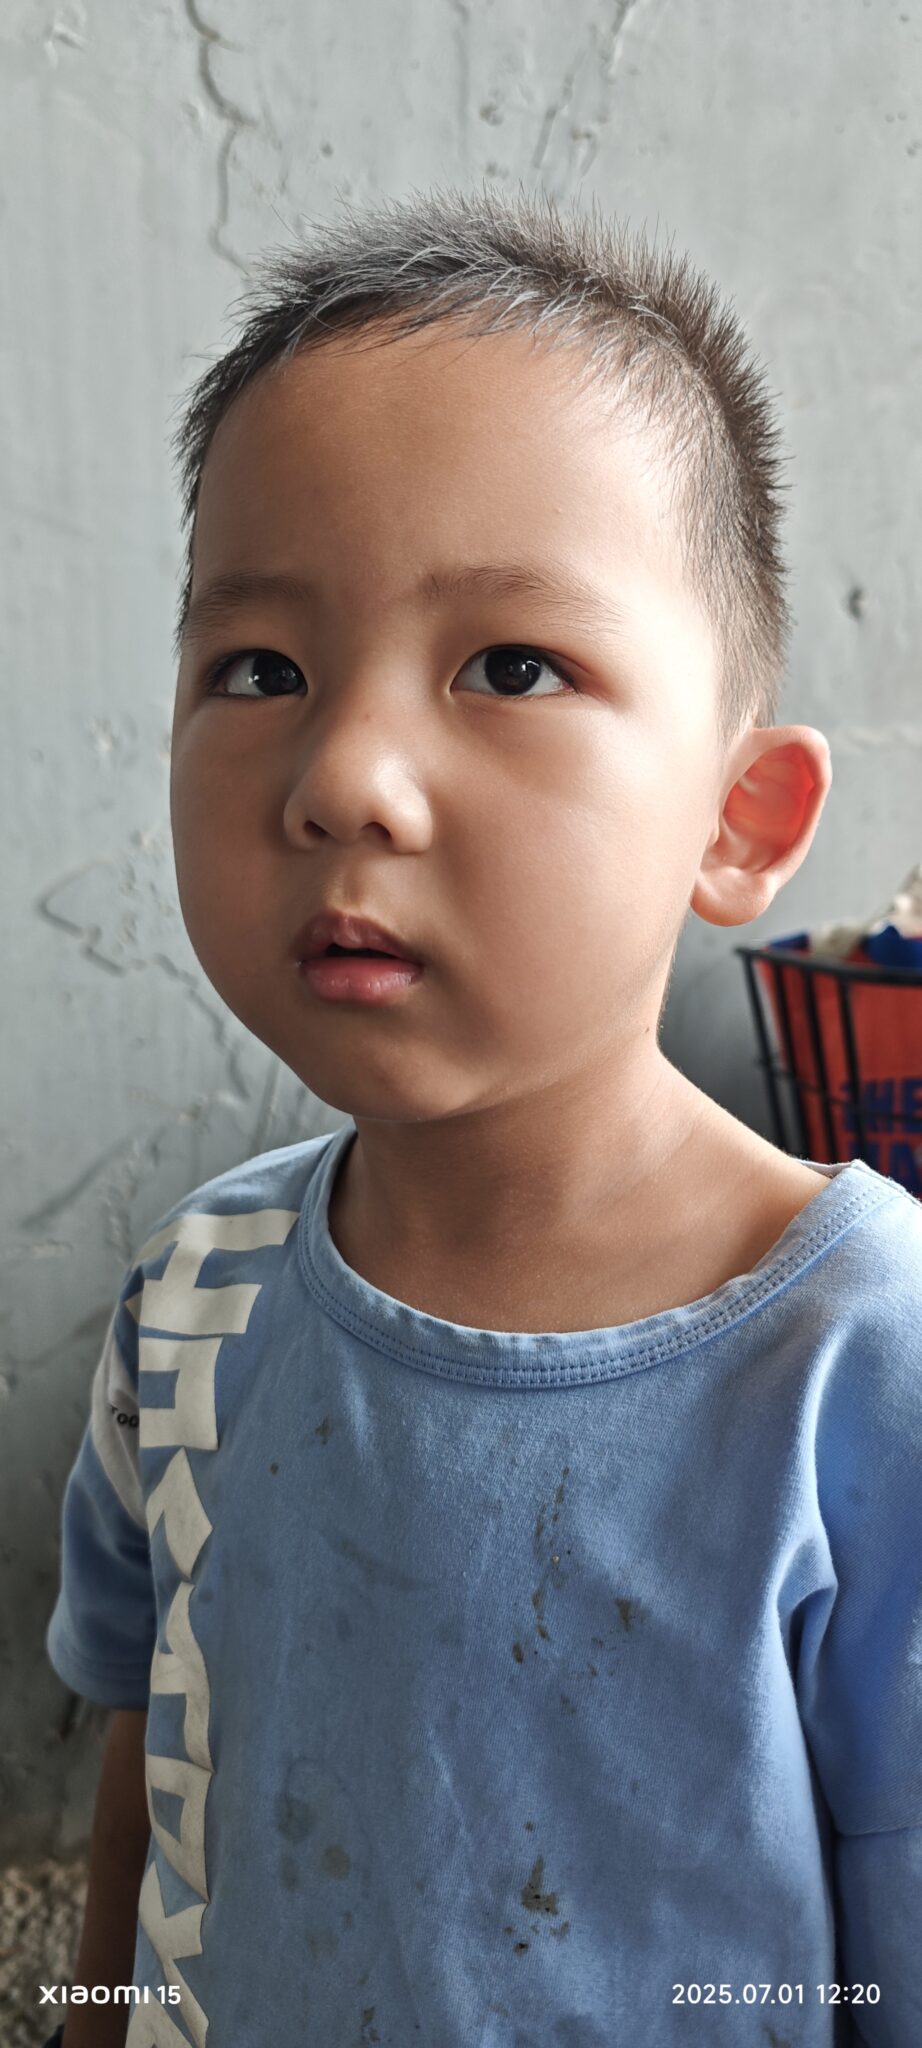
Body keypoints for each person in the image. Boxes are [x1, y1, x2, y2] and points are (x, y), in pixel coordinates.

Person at [43, 183, 922, 2048]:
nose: (344, 776)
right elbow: (156, 1754)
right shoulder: (193, 1299)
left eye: (511, 667)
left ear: (737, 821)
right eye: (259, 670)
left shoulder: (863, 1369)